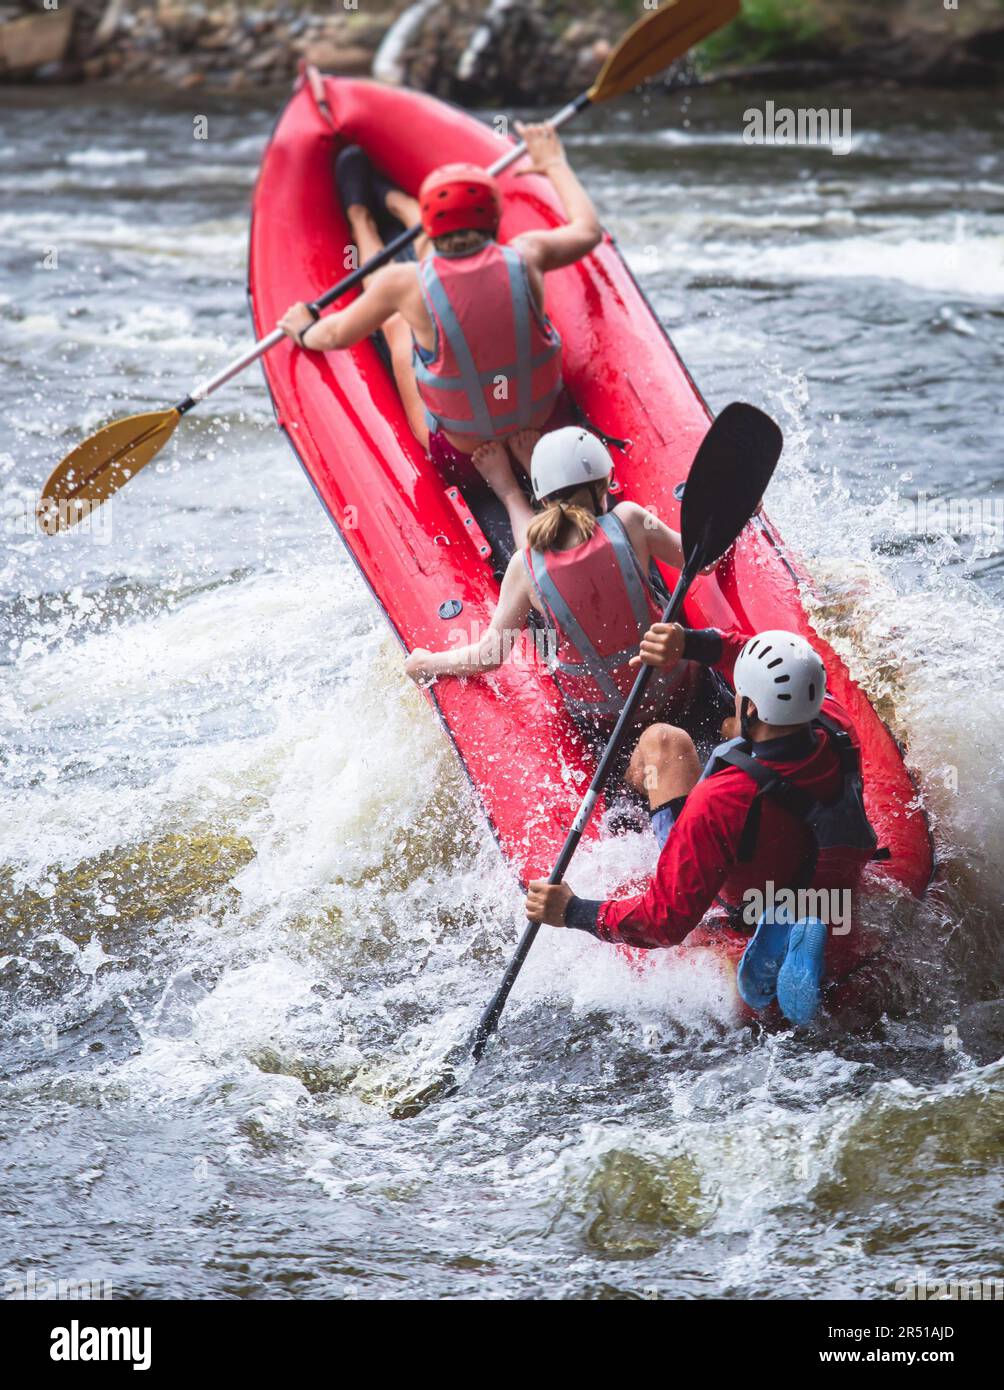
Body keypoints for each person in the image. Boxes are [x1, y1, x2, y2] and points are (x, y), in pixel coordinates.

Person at [525, 627, 881, 1024]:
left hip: (745, 894)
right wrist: (692, 644)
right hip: (825, 876)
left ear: (749, 709)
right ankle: (798, 917)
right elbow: (764, 665)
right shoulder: (836, 722)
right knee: (737, 759)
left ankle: (633, 791)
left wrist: (573, 911)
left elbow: (664, 921)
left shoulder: (722, 800)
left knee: (662, 740)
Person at [277, 122, 602, 521]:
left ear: (434, 228)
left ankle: (361, 217)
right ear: (496, 218)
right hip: (544, 435)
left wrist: (302, 327)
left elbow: (335, 334)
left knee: (398, 327)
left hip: (466, 459)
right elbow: (588, 230)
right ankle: (397, 202)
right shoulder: (529, 254)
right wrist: (554, 163)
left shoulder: (404, 283)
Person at [404, 428, 706, 734]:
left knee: (542, 617)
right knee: (648, 577)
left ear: (544, 498)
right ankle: (512, 486)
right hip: (679, 693)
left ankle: (509, 492)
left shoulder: (524, 564)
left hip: (606, 723)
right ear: (604, 484)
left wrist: (428, 664)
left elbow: (489, 656)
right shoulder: (631, 519)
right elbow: (701, 562)